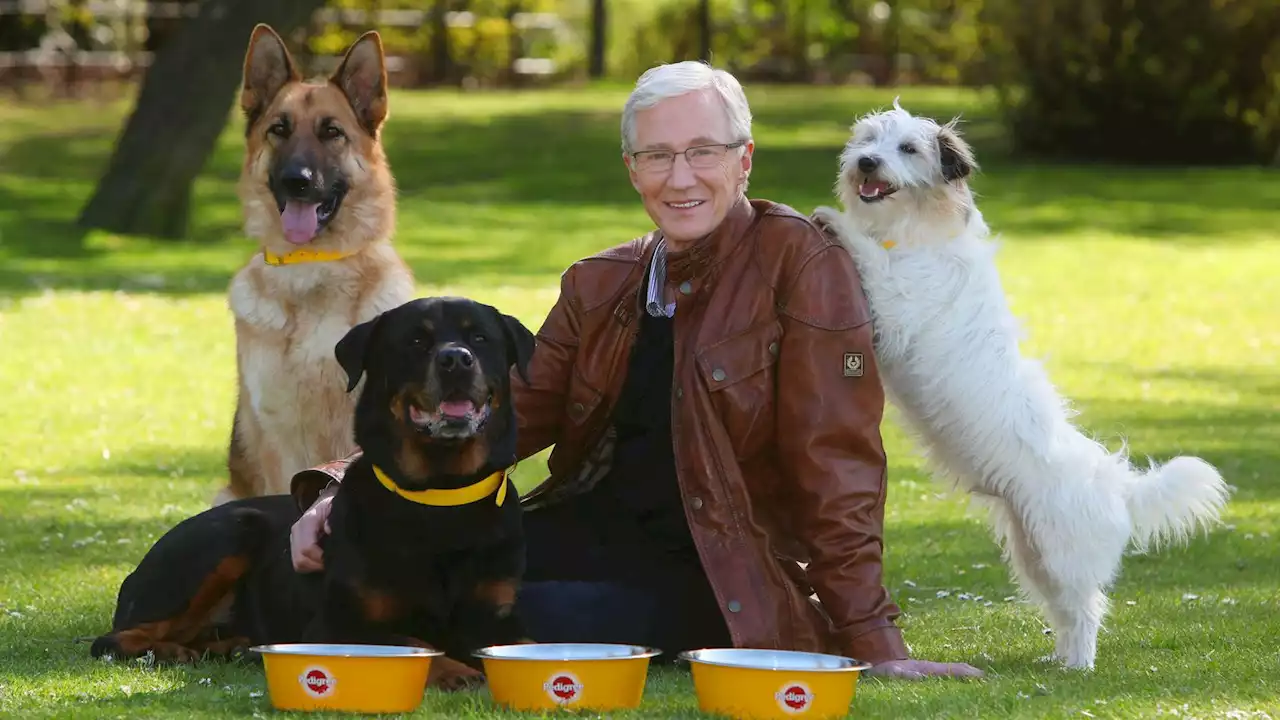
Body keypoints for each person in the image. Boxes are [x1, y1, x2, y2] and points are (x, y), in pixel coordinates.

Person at [287, 61, 983, 680]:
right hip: (585, 528)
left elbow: (837, 466)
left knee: (516, 619)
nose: (680, 178)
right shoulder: (602, 281)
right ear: (632, 168)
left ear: (744, 160)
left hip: (719, 571)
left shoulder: (800, 266)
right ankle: (231, 622)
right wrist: (341, 490)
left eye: (703, 152)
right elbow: (509, 408)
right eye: (657, 155)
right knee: (384, 566)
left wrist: (874, 639)